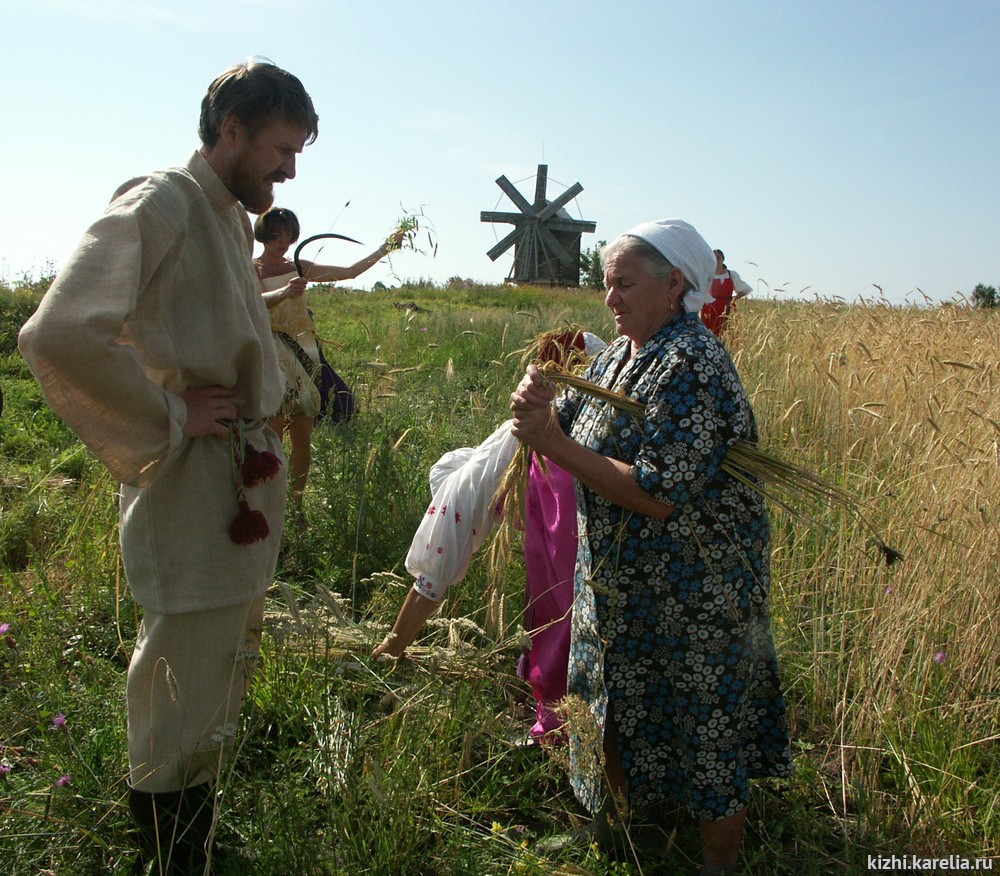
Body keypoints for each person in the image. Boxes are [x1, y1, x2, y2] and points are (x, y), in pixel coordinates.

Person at [18, 59, 319, 874]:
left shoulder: (226, 216)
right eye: (281, 150)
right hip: (190, 478)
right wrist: (173, 414)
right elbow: (58, 334)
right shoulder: (161, 202)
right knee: (183, 664)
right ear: (231, 131)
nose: (291, 170)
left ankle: (197, 831)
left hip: (233, 476)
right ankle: (171, 854)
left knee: (222, 657)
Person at [510, 220, 791, 874]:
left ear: (675, 284)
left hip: (694, 595)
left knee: (705, 730)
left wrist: (553, 441)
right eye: (606, 285)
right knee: (608, 710)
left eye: (624, 285)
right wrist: (539, 410)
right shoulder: (619, 356)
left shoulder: (692, 359)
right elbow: (573, 441)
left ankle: (718, 865)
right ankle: (617, 838)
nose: (609, 299)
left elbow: (661, 493)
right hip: (620, 591)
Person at [372, 330, 606, 744]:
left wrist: (394, 644)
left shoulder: (466, 493)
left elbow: (432, 580)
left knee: (564, 611)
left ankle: (567, 720)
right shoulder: (551, 427)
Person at [254, 206, 404, 506]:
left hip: (304, 357)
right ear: (263, 235)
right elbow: (248, 305)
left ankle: (296, 504)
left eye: (288, 234)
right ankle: (272, 504)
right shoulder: (250, 269)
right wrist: (283, 293)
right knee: (273, 438)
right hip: (270, 358)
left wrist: (386, 248)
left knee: (302, 436)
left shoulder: (298, 266)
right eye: (275, 235)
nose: (283, 241)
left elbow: (349, 273)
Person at [701, 249, 753, 338]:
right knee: (709, 334)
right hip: (709, 309)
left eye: (718, 258)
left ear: (723, 259)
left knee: (726, 333)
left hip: (726, 308)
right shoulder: (707, 275)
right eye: (714, 258)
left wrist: (733, 299)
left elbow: (745, 289)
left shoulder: (731, 274)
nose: (716, 260)